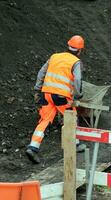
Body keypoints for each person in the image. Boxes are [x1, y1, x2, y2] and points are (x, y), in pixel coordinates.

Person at [26, 35, 86, 164]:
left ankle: (33, 147)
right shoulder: (76, 62)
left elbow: (41, 72)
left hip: (46, 94)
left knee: (44, 120)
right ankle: (76, 144)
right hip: (61, 96)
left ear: (68, 46)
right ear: (80, 50)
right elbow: (77, 80)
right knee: (71, 117)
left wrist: (37, 89)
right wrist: (77, 95)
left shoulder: (54, 57)